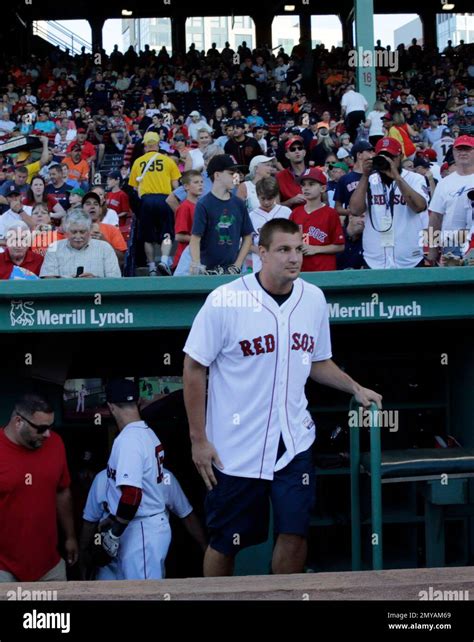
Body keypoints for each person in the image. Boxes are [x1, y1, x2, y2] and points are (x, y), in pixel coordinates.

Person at [183, 217, 382, 577]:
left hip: (293, 440)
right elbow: (194, 367)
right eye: (283, 250)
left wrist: (354, 387)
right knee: (227, 540)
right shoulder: (225, 300)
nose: (294, 258)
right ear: (261, 253)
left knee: (295, 532)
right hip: (235, 445)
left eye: (298, 249)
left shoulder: (314, 299)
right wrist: (199, 439)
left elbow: (317, 361)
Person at [95, 379, 171, 580]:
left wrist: (114, 533)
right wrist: (113, 518)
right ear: (136, 402)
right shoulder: (146, 433)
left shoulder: (129, 440)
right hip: (142, 525)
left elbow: (133, 494)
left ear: (111, 407)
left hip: (143, 529)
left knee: (143, 595)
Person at [0, 390, 78, 582]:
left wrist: (70, 537)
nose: (48, 434)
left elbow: (62, 491)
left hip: (50, 565)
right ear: (18, 422)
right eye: (41, 428)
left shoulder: (56, 443)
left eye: (50, 427)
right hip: (3, 567)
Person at [79, 467, 207, 580]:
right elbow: (90, 521)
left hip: (145, 555)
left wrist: (205, 548)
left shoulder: (164, 477)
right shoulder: (102, 478)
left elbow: (186, 514)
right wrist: (83, 556)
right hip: (108, 557)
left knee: (146, 593)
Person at [349, 137, 428, 269]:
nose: (387, 161)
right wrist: (364, 176)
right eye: (382, 156)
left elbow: (419, 207)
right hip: (375, 259)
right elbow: (355, 210)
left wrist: (397, 177)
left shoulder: (415, 179)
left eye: (391, 157)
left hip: (408, 259)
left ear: (401, 157)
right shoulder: (369, 179)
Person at [189, 154, 253, 275]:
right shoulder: (204, 204)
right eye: (231, 173)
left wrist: (237, 265)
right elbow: (195, 238)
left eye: (237, 173)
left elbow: (248, 236)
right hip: (209, 271)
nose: (236, 176)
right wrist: (197, 265)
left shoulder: (239, 203)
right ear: (217, 175)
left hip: (233, 271)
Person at [128, 131, 181, 276]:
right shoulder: (168, 160)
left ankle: (151, 267)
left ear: (145, 145)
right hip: (165, 199)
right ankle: (164, 261)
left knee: (148, 236)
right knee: (167, 234)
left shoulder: (138, 162)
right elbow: (176, 186)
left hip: (146, 200)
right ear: (158, 144)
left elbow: (134, 187)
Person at [428, 135, 474, 265]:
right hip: (451, 244)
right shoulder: (445, 183)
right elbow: (435, 217)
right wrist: (432, 248)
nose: (463, 153)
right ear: (453, 152)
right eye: (459, 149)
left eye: (467, 149)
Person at [290, 168, 345, 271]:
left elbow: (340, 246)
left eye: (311, 184)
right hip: (300, 270)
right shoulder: (295, 213)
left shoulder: (330, 213)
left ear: (323, 188)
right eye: (303, 185)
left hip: (323, 269)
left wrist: (316, 249)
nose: (306, 188)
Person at [40, 209, 122, 278]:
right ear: (66, 232)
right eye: (74, 232)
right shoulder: (54, 248)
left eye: (82, 232)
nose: (78, 236)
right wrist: (68, 282)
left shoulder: (105, 248)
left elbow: (115, 281)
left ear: (89, 231)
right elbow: (48, 279)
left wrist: (95, 281)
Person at [249, 176, 291, 273]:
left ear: (276, 195)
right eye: (263, 198)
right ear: (257, 195)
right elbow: (246, 244)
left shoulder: (286, 212)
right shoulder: (251, 216)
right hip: (260, 266)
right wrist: (260, 252)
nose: (266, 202)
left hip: (283, 264)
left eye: (270, 198)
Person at [172, 170, 204, 275]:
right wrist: (202, 239)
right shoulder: (185, 207)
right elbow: (179, 236)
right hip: (184, 261)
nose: (200, 185)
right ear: (186, 186)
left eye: (201, 182)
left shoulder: (201, 206)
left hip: (197, 256)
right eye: (196, 182)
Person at [334, 141, 374, 219]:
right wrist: (352, 211)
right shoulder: (345, 179)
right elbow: (337, 207)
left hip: (372, 222)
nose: (372, 154)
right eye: (369, 151)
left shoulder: (375, 176)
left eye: (372, 151)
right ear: (359, 155)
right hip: (353, 224)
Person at [276, 137, 308, 209]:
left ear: (304, 152)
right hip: (290, 217)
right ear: (287, 155)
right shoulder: (280, 177)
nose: (297, 151)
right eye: (292, 149)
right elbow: (275, 207)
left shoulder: (315, 173)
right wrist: (291, 201)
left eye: (300, 148)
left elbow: (325, 201)